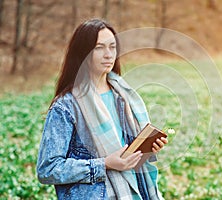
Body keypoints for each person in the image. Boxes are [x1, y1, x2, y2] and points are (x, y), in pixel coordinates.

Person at [36, 18, 168, 200]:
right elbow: (47, 169)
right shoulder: (66, 106)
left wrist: (147, 149)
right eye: (99, 47)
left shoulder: (124, 96)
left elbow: (126, 152)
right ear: (83, 54)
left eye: (112, 47)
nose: (108, 55)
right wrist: (104, 164)